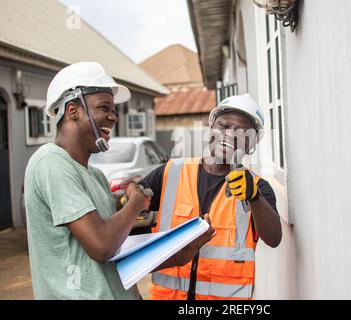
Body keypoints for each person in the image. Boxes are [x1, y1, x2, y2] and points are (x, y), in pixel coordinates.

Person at [24, 62, 214, 300]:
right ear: (73, 110)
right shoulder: (50, 161)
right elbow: (102, 246)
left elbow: (114, 254)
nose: (112, 117)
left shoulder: (95, 176)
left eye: (114, 110)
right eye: (104, 108)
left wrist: (179, 254)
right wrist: (135, 204)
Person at [140, 94, 282, 300]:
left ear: (251, 145)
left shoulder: (257, 187)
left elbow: (274, 238)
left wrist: (255, 197)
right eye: (223, 126)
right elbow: (132, 206)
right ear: (211, 129)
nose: (230, 135)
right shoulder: (171, 172)